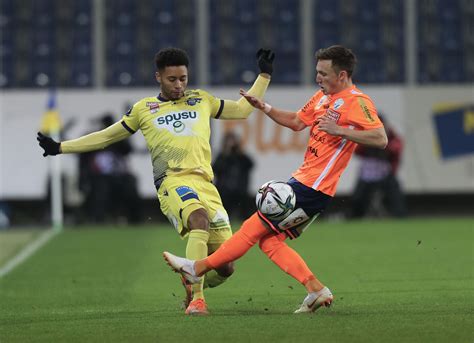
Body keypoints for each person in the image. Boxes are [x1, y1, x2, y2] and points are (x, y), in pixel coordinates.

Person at [37, 47, 274, 315]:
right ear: (158, 77)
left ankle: (190, 279)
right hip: (171, 181)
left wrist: (264, 75)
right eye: (172, 79)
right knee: (198, 219)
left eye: (183, 78)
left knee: (226, 266)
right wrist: (60, 147)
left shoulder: (201, 100)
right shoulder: (144, 109)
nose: (179, 84)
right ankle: (197, 300)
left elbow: (243, 110)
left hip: (206, 184)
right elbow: (106, 136)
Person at [163, 45, 388, 314]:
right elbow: (295, 121)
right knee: (269, 241)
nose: (318, 78)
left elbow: (380, 138)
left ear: (342, 75)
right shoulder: (321, 97)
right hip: (304, 182)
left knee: (252, 226)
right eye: (317, 72)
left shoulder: (358, 101)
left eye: (323, 73)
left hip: (314, 187)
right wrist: (264, 107)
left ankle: (196, 268)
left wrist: (339, 130)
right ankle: (316, 290)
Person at [78, 113, 141, 224]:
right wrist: (83, 180)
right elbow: (83, 160)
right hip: (99, 177)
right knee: (100, 191)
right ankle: (98, 219)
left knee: (130, 186)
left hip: (119, 175)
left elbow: (128, 150)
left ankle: (134, 219)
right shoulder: (95, 139)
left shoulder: (119, 139)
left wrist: (119, 136)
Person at [349, 114, 406, 218]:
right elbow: (356, 151)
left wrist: (382, 142)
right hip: (368, 173)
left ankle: (400, 216)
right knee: (359, 197)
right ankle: (355, 216)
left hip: (384, 173)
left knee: (395, 196)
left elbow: (396, 149)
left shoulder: (391, 135)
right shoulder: (365, 135)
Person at [213, 132, 254, 220]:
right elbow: (216, 169)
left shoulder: (241, 157)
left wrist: (240, 151)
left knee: (244, 214)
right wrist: (226, 153)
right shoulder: (222, 156)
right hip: (224, 191)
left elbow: (250, 164)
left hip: (240, 190)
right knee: (224, 213)